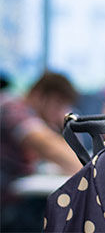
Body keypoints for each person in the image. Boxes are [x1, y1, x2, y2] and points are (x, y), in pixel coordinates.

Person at [0, 71, 82, 231]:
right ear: (39, 95)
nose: (61, 111)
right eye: (58, 104)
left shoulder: (35, 117)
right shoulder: (11, 107)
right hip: (6, 205)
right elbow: (50, 147)